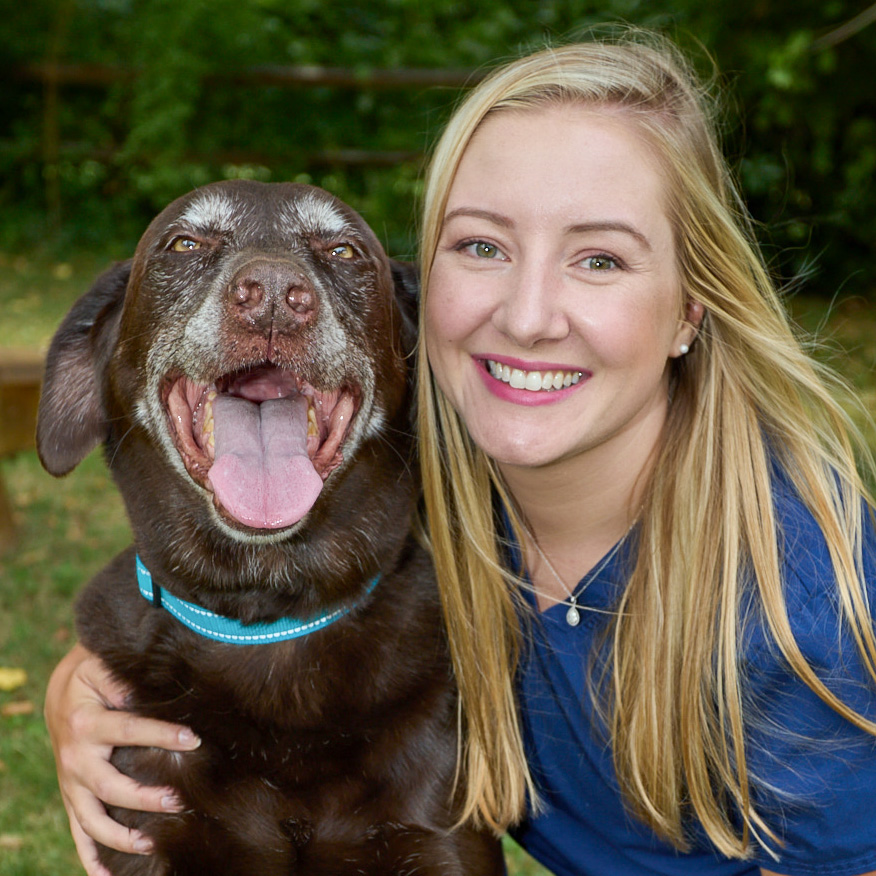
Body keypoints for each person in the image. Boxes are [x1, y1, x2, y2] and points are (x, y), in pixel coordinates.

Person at [44, 30, 876, 876]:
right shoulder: (450, 474)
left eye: (599, 258)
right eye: (482, 246)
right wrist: (79, 687)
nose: (527, 315)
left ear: (691, 309)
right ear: (416, 305)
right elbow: (228, 582)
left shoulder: (797, 608)